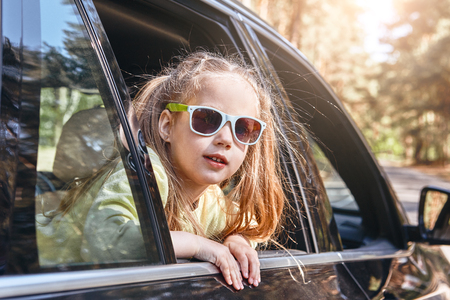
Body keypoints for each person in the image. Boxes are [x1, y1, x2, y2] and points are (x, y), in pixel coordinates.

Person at [36, 51, 286, 291]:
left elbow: (247, 226)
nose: (226, 139)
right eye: (207, 119)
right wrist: (197, 244)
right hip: (34, 269)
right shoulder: (148, 170)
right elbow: (106, 242)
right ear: (167, 126)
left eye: (243, 128)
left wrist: (237, 241)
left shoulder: (210, 198)